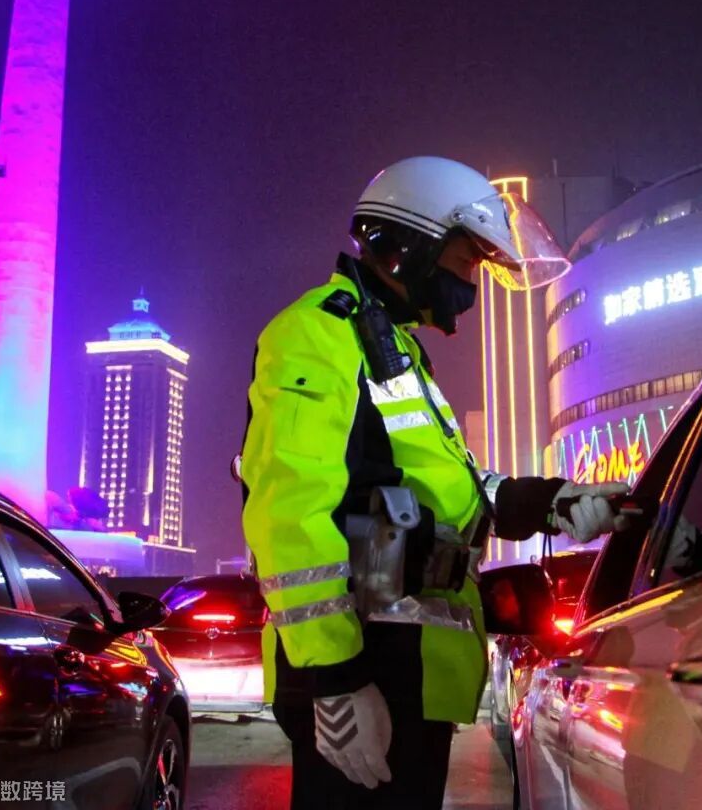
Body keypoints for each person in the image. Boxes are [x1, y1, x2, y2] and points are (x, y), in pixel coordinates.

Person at [239, 156, 631, 809]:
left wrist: (552, 502)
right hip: (365, 669)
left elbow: (452, 489)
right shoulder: (316, 334)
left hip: (410, 670)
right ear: (412, 243)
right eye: (467, 258)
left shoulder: (391, 349)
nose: (470, 281)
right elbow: (291, 512)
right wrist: (336, 680)